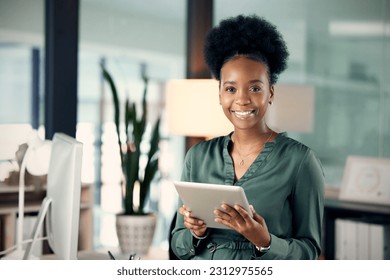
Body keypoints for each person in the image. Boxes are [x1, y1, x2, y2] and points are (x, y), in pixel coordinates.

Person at [170, 14, 324, 260]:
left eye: (255, 88)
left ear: (270, 92)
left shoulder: (300, 161)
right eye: (230, 88)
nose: (242, 99)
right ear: (219, 94)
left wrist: (265, 242)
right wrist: (195, 233)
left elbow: (310, 251)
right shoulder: (198, 157)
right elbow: (178, 244)